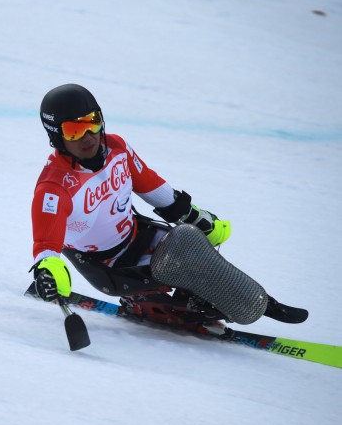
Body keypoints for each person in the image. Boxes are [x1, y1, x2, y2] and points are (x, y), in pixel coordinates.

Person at [30, 83, 307, 326]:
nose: (89, 135)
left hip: (137, 235)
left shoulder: (117, 148)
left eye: (92, 122)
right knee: (186, 252)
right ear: (57, 136)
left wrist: (195, 216)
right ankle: (240, 305)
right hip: (109, 265)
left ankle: (256, 301)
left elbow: (150, 185)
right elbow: (46, 244)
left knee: (193, 241)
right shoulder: (54, 188)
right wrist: (48, 271)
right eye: (75, 131)